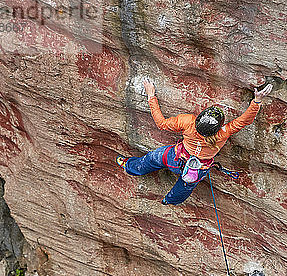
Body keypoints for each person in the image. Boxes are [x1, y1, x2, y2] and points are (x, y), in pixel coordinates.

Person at [116, 80, 273, 205]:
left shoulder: (188, 122)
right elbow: (243, 121)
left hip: (175, 157)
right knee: (184, 188)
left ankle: (129, 166)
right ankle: (169, 200)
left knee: (150, 159)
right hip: (196, 169)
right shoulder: (223, 133)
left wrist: (151, 96)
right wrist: (256, 101)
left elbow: (161, 124)